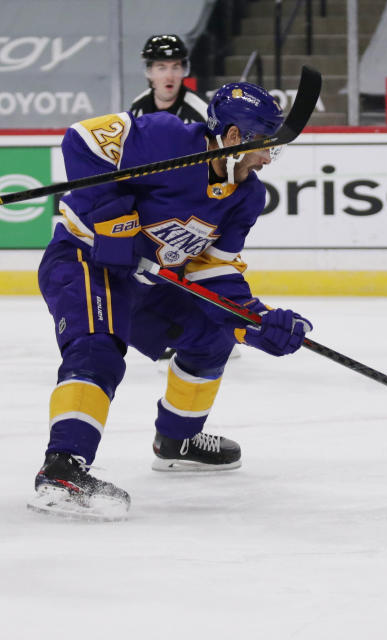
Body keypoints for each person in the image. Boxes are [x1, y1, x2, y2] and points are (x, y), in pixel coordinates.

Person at [28, 81, 312, 521]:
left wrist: (255, 321)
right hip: (86, 260)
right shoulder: (166, 136)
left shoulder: (246, 196)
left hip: (148, 281)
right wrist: (113, 220)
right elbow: (82, 138)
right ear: (234, 136)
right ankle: (63, 468)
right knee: (96, 350)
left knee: (211, 338)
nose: (267, 157)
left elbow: (212, 270)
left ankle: (178, 441)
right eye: (264, 144)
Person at [130, 34, 208, 124]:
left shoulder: (202, 111)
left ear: (184, 70)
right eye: (161, 68)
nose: (169, 76)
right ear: (149, 71)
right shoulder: (138, 108)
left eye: (175, 67)